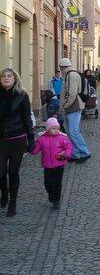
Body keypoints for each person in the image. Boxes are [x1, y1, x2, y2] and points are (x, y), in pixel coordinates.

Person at [0, 68, 35, 217]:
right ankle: (4, 192)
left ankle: (12, 202)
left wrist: (31, 138)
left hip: (17, 138)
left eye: (9, 76)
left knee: (13, 172)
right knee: (1, 172)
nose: (6, 78)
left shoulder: (22, 95)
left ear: (15, 79)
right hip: (1, 139)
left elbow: (27, 118)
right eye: (3, 76)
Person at [30, 117, 73, 209]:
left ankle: (56, 200)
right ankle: (51, 195)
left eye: (57, 128)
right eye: (53, 128)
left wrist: (65, 155)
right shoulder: (42, 139)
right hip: (47, 166)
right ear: (48, 129)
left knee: (57, 184)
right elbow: (36, 150)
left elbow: (69, 148)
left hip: (59, 165)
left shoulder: (62, 138)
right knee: (47, 184)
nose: (56, 130)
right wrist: (31, 149)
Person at [58, 58, 91, 164]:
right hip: (72, 106)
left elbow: (72, 94)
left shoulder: (71, 75)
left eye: (60, 67)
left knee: (73, 131)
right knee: (70, 132)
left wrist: (64, 106)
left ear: (62, 67)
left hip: (73, 107)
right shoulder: (71, 74)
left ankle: (85, 152)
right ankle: (75, 154)